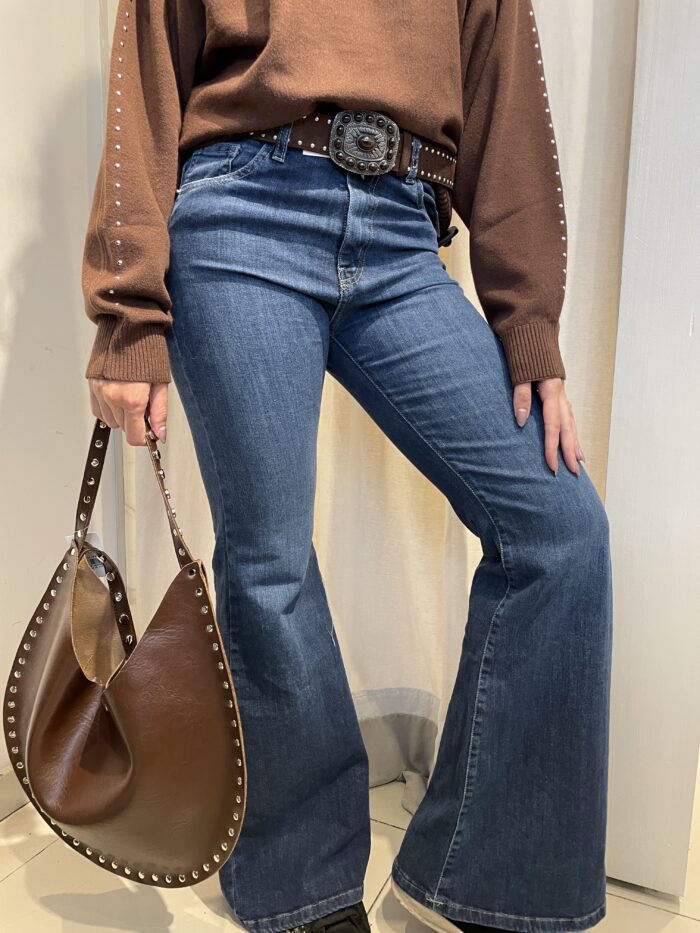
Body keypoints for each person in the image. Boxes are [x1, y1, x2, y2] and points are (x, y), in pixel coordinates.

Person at [81, 2, 613, 932]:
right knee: (269, 561)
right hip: (240, 208)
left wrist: (528, 322)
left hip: (405, 231)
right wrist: (130, 314)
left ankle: (483, 879)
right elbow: (150, 69)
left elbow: (507, 106)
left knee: (560, 531)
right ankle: (305, 887)